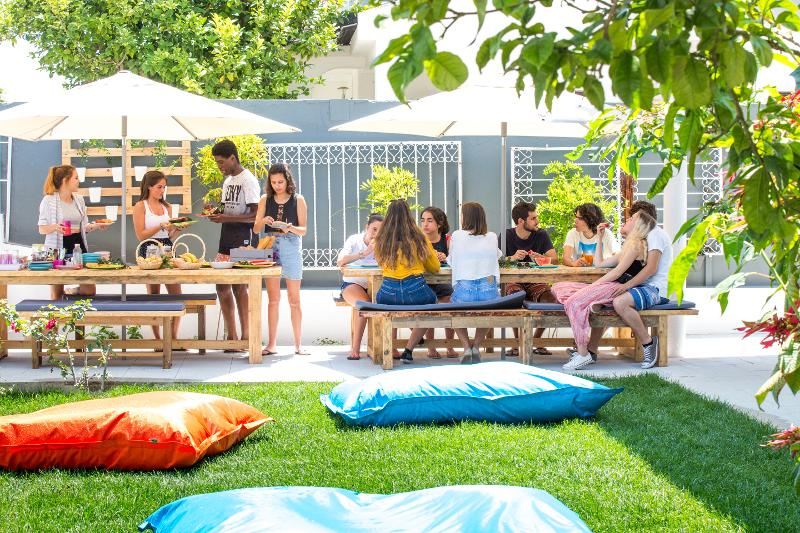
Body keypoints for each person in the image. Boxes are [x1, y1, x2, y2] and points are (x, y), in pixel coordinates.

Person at [553, 202, 671, 371]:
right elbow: (600, 263)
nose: (627, 220)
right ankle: (590, 351)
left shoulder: (654, 236)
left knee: (618, 302)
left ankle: (648, 343)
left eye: (632, 218)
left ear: (642, 221)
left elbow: (650, 268)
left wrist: (623, 286)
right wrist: (600, 238)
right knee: (595, 302)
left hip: (654, 288)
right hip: (636, 286)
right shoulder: (633, 243)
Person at [207, 140, 260, 351]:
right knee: (221, 286)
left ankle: (246, 338)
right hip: (226, 238)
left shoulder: (248, 180)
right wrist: (214, 210)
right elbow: (228, 207)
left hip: (244, 239)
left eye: (221, 162)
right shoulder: (228, 181)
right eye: (217, 163)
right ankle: (232, 337)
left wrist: (225, 218)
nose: (220, 167)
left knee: (240, 286)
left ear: (232, 157)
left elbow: (255, 215)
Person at [373, 199, 440, 364]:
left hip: (388, 292)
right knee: (431, 305)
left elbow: (381, 264)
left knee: (386, 305)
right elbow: (435, 267)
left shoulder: (381, 239)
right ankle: (409, 349)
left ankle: (405, 343)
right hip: (415, 289)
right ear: (409, 216)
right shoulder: (419, 237)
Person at [254, 163, 308, 356]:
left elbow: (303, 230)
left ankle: (298, 345)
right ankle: (271, 344)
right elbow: (256, 229)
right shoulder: (264, 199)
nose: (277, 185)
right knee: (273, 300)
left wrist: (290, 228)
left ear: (288, 181)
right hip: (270, 244)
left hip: (292, 246)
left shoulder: (298, 199)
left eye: (281, 182)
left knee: (294, 300)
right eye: (273, 182)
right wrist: (264, 221)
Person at [37, 164, 109, 300]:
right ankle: (59, 320)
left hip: (78, 245)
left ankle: (72, 296)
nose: (79, 181)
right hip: (59, 247)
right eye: (76, 178)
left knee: (88, 290)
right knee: (57, 294)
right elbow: (42, 228)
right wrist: (55, 227)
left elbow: (83, 227)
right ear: (65, 180)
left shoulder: (79, 200)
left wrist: (96, 226)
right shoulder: (49, 200)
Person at [500, 201, 559, 356]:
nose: (537, 221)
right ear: (521, 221)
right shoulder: (506, 235)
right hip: (513, 280)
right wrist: (512, 258)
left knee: (550, 300)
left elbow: (555, 259)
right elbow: (497, 262)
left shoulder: (541, 234)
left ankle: (536, 341)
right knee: (514, 297)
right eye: (533, 218)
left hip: (536, 281)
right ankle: (517, 343)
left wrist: (541, 257)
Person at [447, 202, 502, 364]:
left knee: (453, 308)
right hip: (489, 291)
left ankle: (466, 348)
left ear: (466, 217)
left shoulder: (457, 235)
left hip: (465, 290)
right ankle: (476, 347)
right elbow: (497, 256)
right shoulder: (492, 237)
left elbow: (451, 260)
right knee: (488, 309)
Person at [132, 170, 183, 340]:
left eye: (164, 187)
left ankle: (174, 338)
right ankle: (157, 339)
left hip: (167, 247)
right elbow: (141, 235)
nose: (162, 190)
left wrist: (176, 229)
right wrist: (160, 225)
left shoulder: (166, 207)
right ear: (149, 187)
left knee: (176, 294)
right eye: (159, 187)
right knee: (153, 296)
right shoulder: (140, 206)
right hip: (148, 249)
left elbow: (168, 236)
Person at [336, 213, 383, 360]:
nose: (376, 234)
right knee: (364, 304)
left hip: (377, 284)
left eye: (381, 231)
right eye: (374, 229)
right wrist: (365, 252)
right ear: (366, 227)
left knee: (389, 303)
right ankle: (355, 348)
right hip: (353, 283)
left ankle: (389, 347)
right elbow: (340, 261)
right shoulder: (354, 240)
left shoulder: (385, 243)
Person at [419, 206, 458, 359]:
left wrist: (446, 258)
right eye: (422, 220)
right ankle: (431, 346)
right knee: (429, 303)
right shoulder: (419, 240)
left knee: (450, 300)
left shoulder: (447, 240)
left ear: (439, 223)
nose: (425, 224)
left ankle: (450, 345)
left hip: (443, 282)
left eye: (429, 220)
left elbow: (455, 261)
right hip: (423, 282)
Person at [562, 203, 618, 267]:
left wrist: (607, 261)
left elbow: (618, 255)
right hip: (580, 275)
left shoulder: (606, 234)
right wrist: (573, 263)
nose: (575, 220)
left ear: (590, 220)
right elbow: (565, 259)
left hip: (602, 274)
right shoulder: (572, 233)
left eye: (579, 218)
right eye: (576, 217)